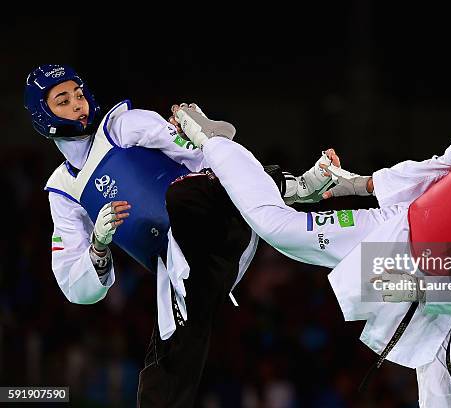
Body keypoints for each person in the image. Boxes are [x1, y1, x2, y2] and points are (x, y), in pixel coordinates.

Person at [172, 73, 451, 407]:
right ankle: (216, 143)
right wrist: (353, 183)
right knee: (278, 229)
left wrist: (427, 287)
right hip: (394, 226)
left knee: (439, 392)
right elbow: (428, 173)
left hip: (436, 289)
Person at [24, 64, 337, 407]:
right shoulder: (64, 192)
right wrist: (98, 245)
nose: (77, 104)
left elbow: (200, 155)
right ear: (43, 115)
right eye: (63, 100)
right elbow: (76, 287)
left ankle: (290, 186)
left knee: (192, 187)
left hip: (219, 224)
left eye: (79, 94)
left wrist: (203, 137)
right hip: (187, 271)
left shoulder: (123, 125)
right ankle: (286, 188)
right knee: (164, 372)